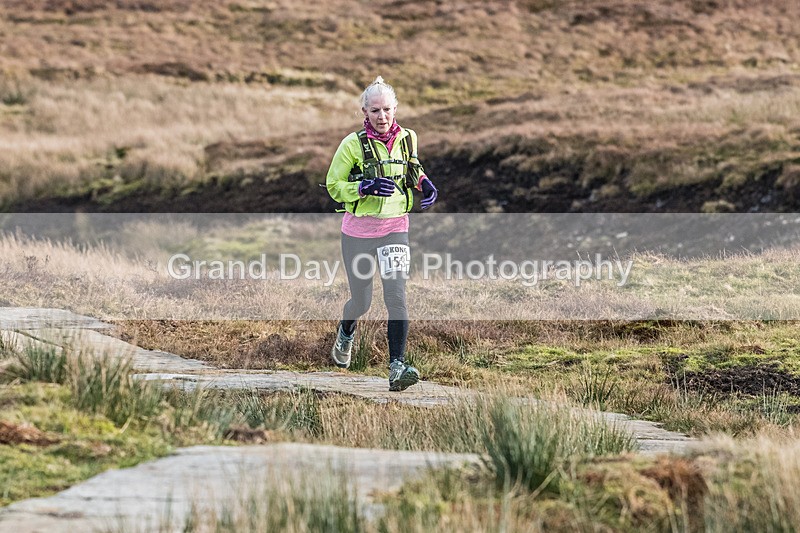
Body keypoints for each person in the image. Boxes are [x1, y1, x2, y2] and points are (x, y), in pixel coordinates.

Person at [325, 76, 439, 392]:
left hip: (395, 229)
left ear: (395, 108)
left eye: (387, 109)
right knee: (362, 301)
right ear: (365, 110)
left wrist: (424, 182)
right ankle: (346, 333)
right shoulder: (352, 145)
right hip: (358, 234)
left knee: (396, 297)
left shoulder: (408, 138)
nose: (382, 116)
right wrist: (363, 186)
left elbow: (411, 167)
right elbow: (334, 187)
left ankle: (397, 367)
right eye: (375, 110)